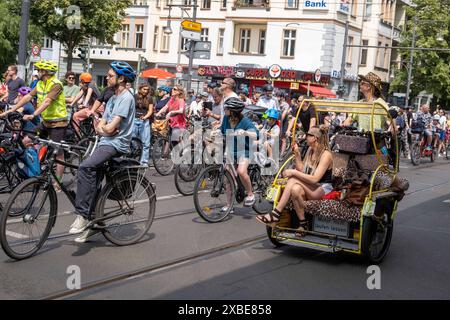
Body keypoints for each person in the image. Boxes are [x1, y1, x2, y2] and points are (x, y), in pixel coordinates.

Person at [69, 61, 137, 242]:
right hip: (106, 140)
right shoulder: (113, 98)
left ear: (121, 79)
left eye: (110, 76)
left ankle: (83, 215)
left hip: (116, 144)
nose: (106, 78)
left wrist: (105, 128)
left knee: (85, 167)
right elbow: (102, 126)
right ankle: (96, 224)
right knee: (94, 180)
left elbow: (112, 127)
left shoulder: (126, 98)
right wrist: (104, 128)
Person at [256, 126, 333, 236]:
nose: (305, 137)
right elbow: (302, 170)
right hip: (311, 186)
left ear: (315, 138)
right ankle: (303, 224)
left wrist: (293, 172)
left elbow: (315, 178)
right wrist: (297, 154)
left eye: (308, 135)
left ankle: (276, 213)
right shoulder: (310, 150)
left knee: (292, 179)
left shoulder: (326, 155)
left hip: (323, 189)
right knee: (295, 189)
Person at [0, 60, 68, 184]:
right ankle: (35, 169)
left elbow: (47, 102)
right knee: (26, 141)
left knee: (57, 153)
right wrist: (9, 111)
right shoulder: (40, 84)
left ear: (46, 72)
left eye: (40, 70)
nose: (38, 72)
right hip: (46, 122)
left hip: (58, 124)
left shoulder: (56, 84)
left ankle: (58, 182)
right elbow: (27, 97)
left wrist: (33, 114)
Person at [219, 97, 259, 209]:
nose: (224, 109)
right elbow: (221, 130)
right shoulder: (226, 119)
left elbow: (255, 134)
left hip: (245, 150)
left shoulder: (245, 121)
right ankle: (229, 205)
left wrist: (245, 132)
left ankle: (250, 194)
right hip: (231, 150)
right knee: (227, 179)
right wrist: (215, 132)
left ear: (233, 111)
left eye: (227, 108)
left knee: (241, 171)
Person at [133, 84, 154, 165]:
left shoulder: (149, 98)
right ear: (140, 89)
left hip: (144, 121)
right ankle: (132, 160)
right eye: (144, 89)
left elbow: (150, 110)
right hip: (134, 120)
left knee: (146, 143)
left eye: (147, 90)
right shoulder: (134, 97)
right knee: (132, 142)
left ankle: (144, 162)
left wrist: (145, 117)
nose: (146, 91)